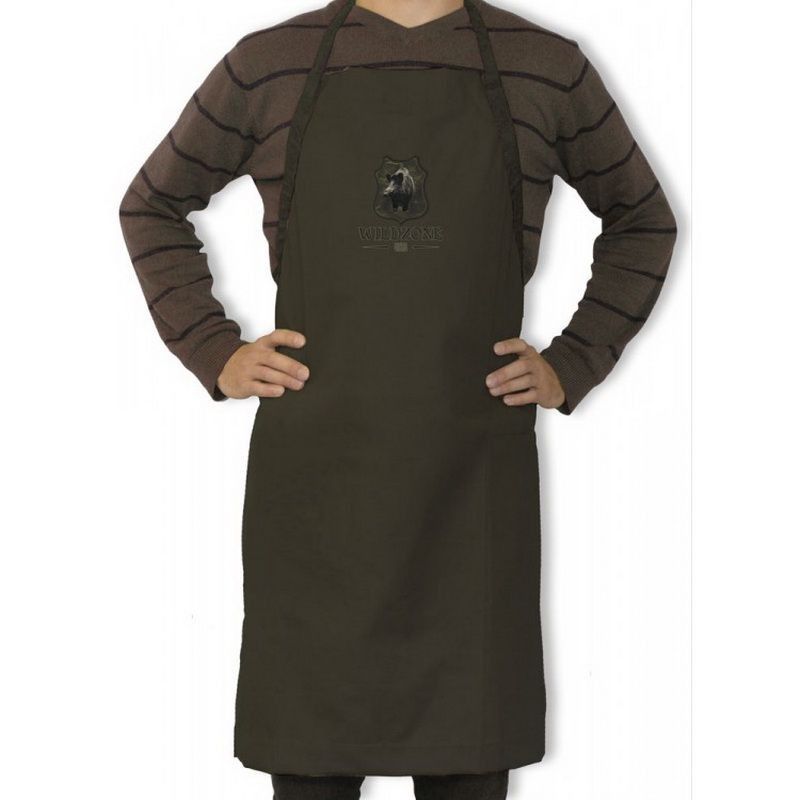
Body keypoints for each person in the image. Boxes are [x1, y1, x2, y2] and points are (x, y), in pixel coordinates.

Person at [118, 0, 677, 797]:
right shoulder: (268, 63)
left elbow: (643, 218)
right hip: (318, 500)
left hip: (469, 500)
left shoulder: (545, 66)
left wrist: (576, 359)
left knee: (468, 769)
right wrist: (215, 350)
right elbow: (151, 204)